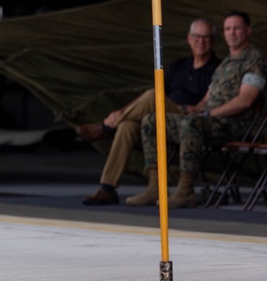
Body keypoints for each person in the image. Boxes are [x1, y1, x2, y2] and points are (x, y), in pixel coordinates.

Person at [127, 11, 266, 208]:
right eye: (228, 29)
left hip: (232, 125)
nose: (231, 33)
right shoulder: (226, 63)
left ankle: (185, 190)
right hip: (207, 121)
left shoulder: (254, 60)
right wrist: (195, 110)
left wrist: (206, 114)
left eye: (236, 28)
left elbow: (245, 101)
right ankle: (155, 186)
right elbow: (207, 99)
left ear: (248, 30)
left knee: (192, 123)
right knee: (152, 120)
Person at [79, 19, 220, 205]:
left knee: (153, 95)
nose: (200, 41)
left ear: (213, 40)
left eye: (206, 37)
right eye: (196, 37)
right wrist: (122, 112)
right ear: (188, 39)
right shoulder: (179, 65)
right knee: (127, 126)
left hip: (188, 117)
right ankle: (108, 188)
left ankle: (105, 128)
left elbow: (209, 101)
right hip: (161, 117)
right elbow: (158, 94)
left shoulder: (217, 68)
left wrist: (195, 108)